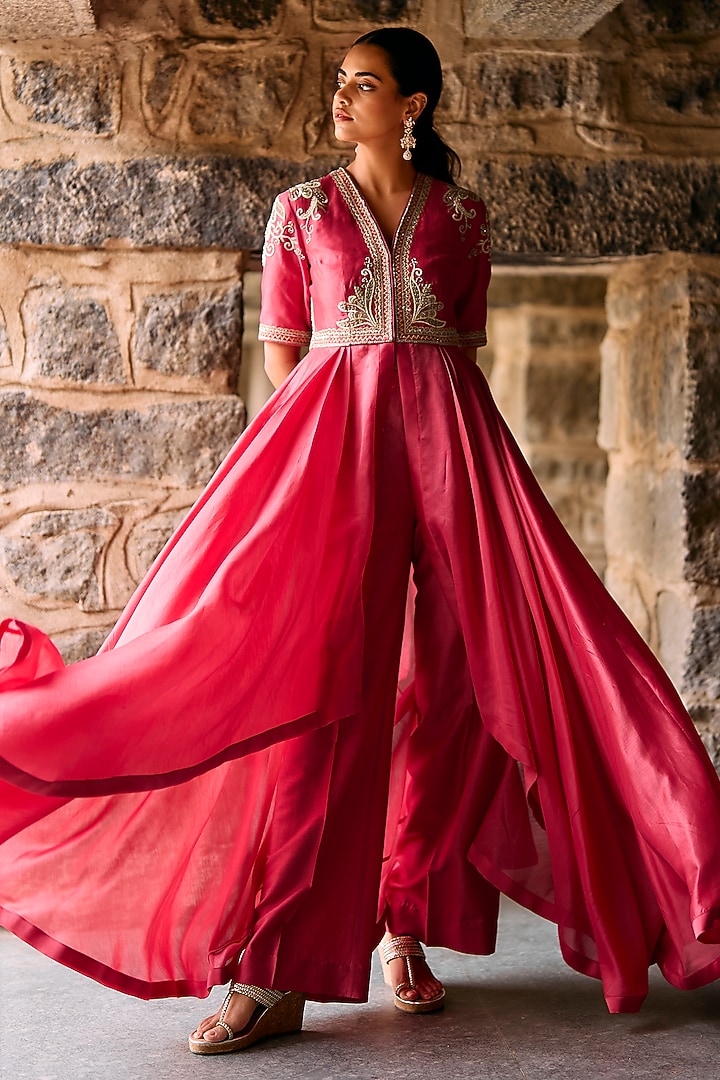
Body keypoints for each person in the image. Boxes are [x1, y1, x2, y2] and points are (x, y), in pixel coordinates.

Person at [1, 25, 720, 1058]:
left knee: (460, 685)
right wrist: (304, 474)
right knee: (319, 695)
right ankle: (280, 966)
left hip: (456, 454)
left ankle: (403, 920)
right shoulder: (299, 212)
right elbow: (286, 358)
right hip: (330, 457)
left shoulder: (464, 216)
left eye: (364, 84)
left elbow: (461, 346)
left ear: (413, 104)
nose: (341, 98)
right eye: (340, 83)